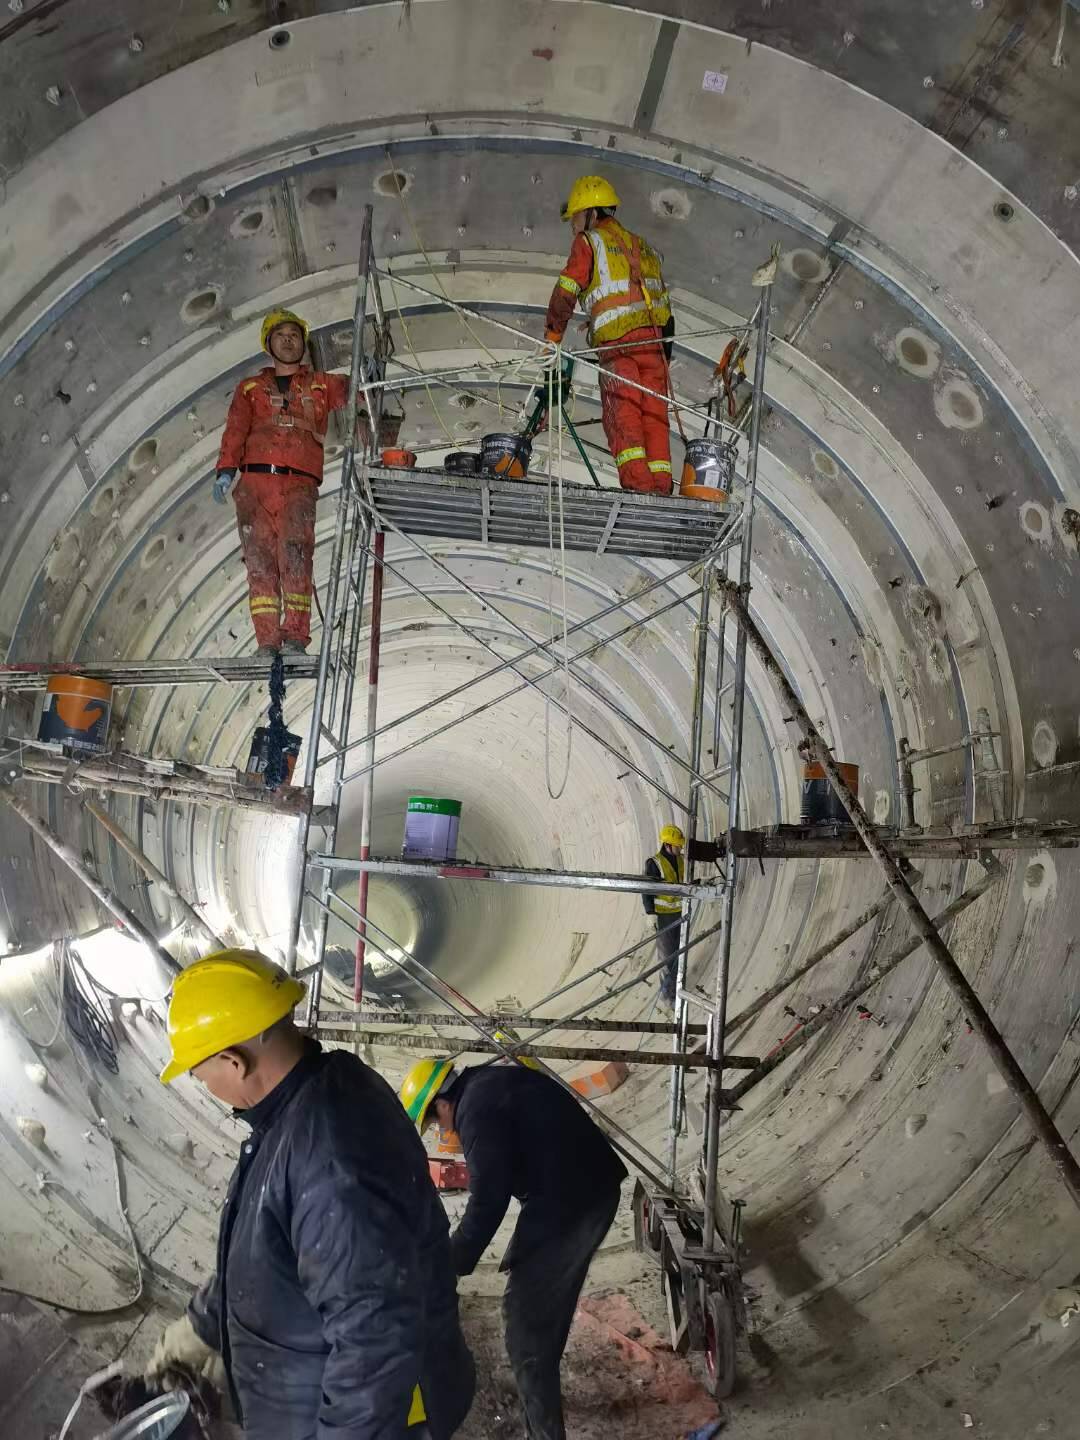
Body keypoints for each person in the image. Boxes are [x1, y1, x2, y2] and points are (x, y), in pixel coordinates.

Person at [149, 949, 474, 1440]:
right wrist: (202, 1325)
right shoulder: (313, 1099)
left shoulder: (328, 1154)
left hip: (380, 1419)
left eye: (198, 1071)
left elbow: (374, 1339)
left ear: (232, 1062)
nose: (201, 1083)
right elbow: (268, 1248)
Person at [399, 1057, 626, 1440]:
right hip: (575, 1187)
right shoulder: (488, 1085)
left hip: (574, 1200)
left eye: (436, 1122)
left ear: (442, 1102)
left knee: (526, 1323)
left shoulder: (476, 1111)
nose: (442, 1130)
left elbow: (488, 1200)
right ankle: (542, 1400)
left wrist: (449, 1262)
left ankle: (544, 1433)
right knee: (535, 1315)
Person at [215, 309, 354, 657]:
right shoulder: (249, 389)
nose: (289, 340)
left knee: (295, 556)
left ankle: (294, 637)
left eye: (294, 334)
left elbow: (361, 389)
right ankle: (267, 642)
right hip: (255, 484)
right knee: (259, 561)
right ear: (268, 344)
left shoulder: (322, 384)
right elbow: (235, 431)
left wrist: (371, 370)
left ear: (303, 342)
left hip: (298, 484)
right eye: (281, 335)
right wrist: (225, 471)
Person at [543, 175, 674, 495]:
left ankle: (639, 489)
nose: (572, 226)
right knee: (654, 417)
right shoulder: (644, 247)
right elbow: (657, 304)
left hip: (620, 349)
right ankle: (661, 487)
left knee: (624, 414)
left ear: (590, 213)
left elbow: (566, 290)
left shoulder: (589, 242)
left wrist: (553, 336)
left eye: (574, 217)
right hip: (654, 348)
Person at [643, 823, 686, 1010]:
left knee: (679, 954)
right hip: (663, 917)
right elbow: (647, 889)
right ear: (667, 845)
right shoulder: (654, 863)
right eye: (677, 845)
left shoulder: (680, 860)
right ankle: (668, 997)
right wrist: (650, 913)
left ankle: (677, 989)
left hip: (679, 913)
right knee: (668, 958)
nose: (680, 848)